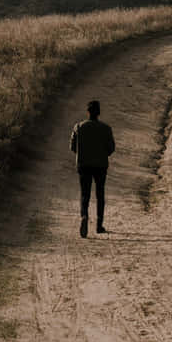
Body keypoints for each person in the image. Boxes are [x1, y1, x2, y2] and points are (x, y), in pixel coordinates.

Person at [69, 98, 115, 237]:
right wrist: (101, 154)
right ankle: (99, 225)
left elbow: (72, 147)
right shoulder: (106, 129)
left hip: (83, 165)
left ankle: (84, 216)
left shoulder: (78, 127)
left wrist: (83, 154)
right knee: (100, 194)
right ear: (99, 113)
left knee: (85, 194)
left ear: (87, 112)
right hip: (100, 165)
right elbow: (111, 148)